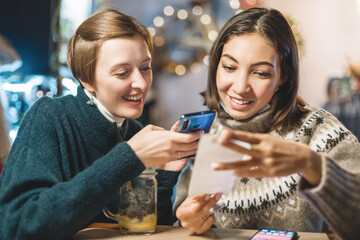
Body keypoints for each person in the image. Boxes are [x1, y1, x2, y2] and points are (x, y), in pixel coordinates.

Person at [0, 9, 201, 240]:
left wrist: (163, 177)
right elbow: (19, 225)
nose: (141, 83)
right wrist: (130, 156)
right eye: (123, 72)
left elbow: (146, 231)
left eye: (145, 67)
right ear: (86, 79)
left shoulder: (134, 131)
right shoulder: (50, 117)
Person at [174, 7, 360, 240]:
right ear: (215, 67)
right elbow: (182, 219)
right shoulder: (204, 133)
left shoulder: (320, 132)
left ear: (282, 77)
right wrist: (188, 220)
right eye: (229, 67)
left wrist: (313, 166)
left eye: (261, 73)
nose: (241, 86)